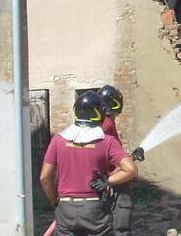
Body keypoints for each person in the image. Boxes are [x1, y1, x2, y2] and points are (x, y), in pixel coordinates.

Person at [40, 91, 138, 236]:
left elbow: (44, 178)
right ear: (99, 114)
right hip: (95, 208)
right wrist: (108, 181)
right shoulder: (107, 141)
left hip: (66, 209)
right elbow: (131, 170)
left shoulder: (58, 140)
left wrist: (56, 201)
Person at [97, 85, 133, 236]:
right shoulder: (107, 124)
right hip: (112, 181)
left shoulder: (104, 122)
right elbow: (100, 150)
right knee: (120, 224)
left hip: (108, 178)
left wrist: (128, 156)